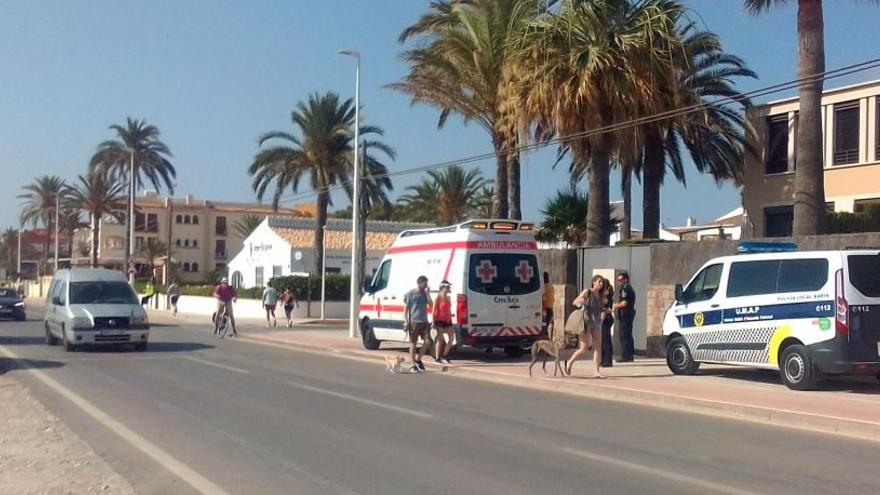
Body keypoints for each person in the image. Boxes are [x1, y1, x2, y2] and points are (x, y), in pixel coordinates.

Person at [565, 275, 607, 378]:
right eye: (599, 282)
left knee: (598, 346)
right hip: (586, 322)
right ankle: (570, 362)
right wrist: (581, 302)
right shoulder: (587, 292)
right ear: (594, 282)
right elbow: (575, 302)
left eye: (602, 282)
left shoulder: (601, 295)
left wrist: (605, 311)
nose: (601, 284)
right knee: (584, 348)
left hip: (596, 322)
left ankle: (596, 371)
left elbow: (599, 308)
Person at [404, 275, 432, 373]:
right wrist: (406, 320)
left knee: (428, 342)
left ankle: (419, 359)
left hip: (424, 321)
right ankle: (412, 364)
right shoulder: (411, 294)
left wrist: (428, 293)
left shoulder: (425, 294)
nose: (426, 285)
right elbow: (406, 308)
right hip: (414, 322)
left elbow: (431, 305)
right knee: (413, 344)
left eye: (426, 284)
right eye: (425, 283)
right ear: (419, 283)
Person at [613, 272, 636, 362]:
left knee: (624, 336)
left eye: (620, 280)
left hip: (625, 315)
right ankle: (629, 355)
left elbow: (624, 303)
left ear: (625, 280)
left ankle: (626, 355)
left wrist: (615, 305)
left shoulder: (626, 289)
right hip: (627, 315)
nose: (618, 282)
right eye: (618, 280)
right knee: (628, 335)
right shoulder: (627, 288)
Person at [432, 280, 454, 365]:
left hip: (448, 320)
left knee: (451, 337)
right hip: (439, 320)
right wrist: (433, 322)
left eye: (449, 287)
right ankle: (437, 358)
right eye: (447, 287)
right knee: (440, 340)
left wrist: (450, 319)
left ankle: (444, 356)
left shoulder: (448, 298)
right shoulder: (438, 298)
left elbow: (448, 309)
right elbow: (434, 311)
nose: (449, 289)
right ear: (443, 288)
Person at [600, 277, 615, 368]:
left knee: (605, 340)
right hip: (606, 318)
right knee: (605, 340)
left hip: (606, 318)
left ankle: (607, 360)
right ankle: (604, 360)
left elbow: (605, 306)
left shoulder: (606, 294)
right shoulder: (608, 293)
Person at [542, 272, 556, 339]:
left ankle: (546, 336)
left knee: (545, 325)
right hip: (550, 307)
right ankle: (549, 337)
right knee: (549, 323)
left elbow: (543, 297)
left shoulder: (543, 287)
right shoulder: (550, 285)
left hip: (545, 308)